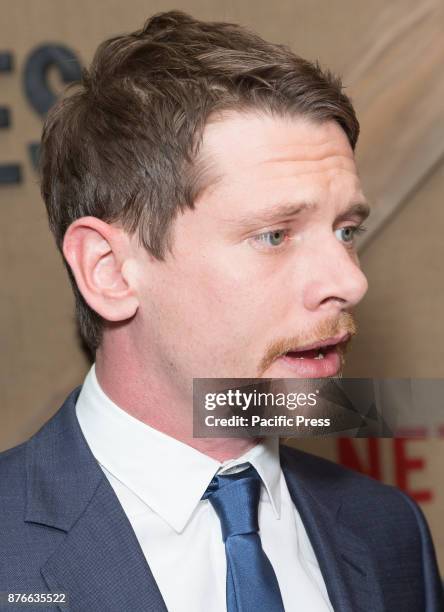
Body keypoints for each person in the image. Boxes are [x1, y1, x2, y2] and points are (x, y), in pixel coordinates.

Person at [0, 10, 442, 612]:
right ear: (108, 270)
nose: (350, 281)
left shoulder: (388, 533)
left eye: (345, 231)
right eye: (275, 236)